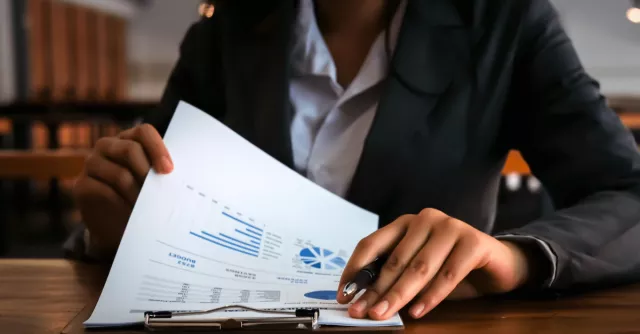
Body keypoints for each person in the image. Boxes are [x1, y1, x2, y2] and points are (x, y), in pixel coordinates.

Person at [69, 0, 640, 321]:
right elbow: (152, 205)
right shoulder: (224, 36)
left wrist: (512, 257)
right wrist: (113, 230)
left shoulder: (505, 26)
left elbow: (629, 195)